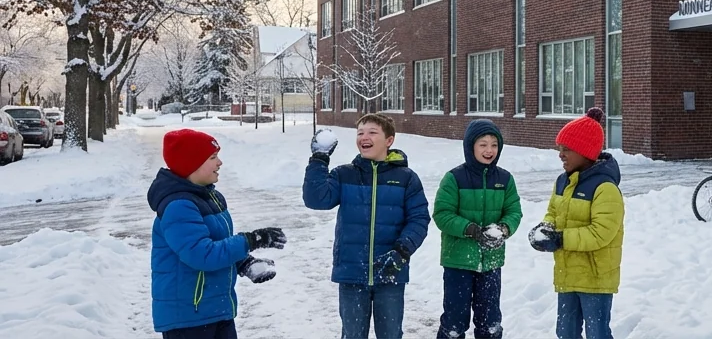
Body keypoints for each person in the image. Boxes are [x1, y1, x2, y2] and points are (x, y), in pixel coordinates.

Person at [148, 128, 285, 339]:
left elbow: (217, 243)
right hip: (189, 318)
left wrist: (244, 262)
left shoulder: (210, 197)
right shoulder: (179, 206)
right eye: (212, 157)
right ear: (191, 164)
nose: (219, 162)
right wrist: (250, 240)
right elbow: (202, 255)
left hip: (214, 309)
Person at [303, 113, 430, 339]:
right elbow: (316, 200)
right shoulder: (345, 174)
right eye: (360, 132)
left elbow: (419, 218)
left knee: (390, 335)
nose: (364, 137)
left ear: (389, 140)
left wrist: (401, 252)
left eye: (372, 132)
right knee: (352, 335)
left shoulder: (405, 178)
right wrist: (319, 160)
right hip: (352, 272)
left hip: (390, 272)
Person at [529, 107, 624, 339]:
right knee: (566, 332)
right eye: (560, 149)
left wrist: (561, 239)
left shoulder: (605, 188)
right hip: (568, 273)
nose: (560, 155)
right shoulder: (562, 181)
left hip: (595, 277)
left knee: (597, 333)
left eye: (566, 149)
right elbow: (553, 211)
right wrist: (546, 229)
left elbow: (601, 233)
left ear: (585, 152)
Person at [432, 119, 523, 339]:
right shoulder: (454, 178)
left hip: (491, 262)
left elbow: (514, 211)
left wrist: (503, 229)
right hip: (458, 262)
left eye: (494, 144)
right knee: (454, 322)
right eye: (483, 144)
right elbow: (442, 214)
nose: (489, 150)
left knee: (490, 323)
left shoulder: (504, 179)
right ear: (470, 146)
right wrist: (471, 230)